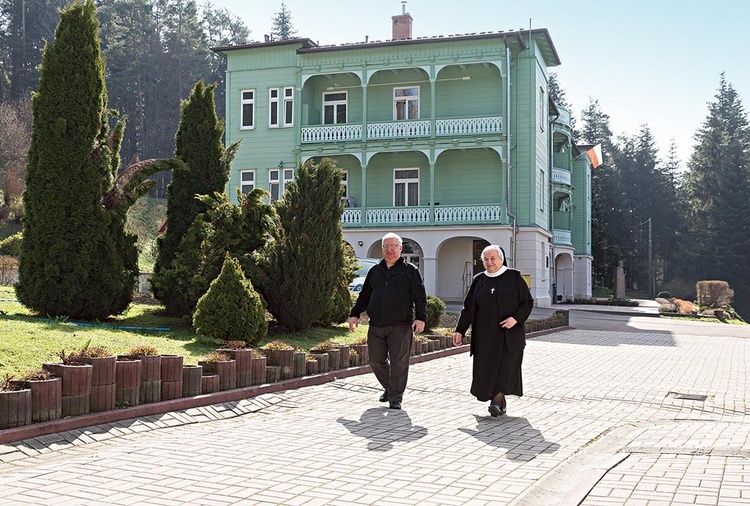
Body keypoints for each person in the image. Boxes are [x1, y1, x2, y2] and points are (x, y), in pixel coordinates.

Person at [452, 245, 533, 417]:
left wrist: (515, 319)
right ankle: (499, 402)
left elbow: (527, 302)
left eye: (493, 259)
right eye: (486, 260)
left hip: (509, 335)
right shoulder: (478, 280)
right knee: (488, 370)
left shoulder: (514, 277)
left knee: (506, 368)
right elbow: (468, 308)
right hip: (485, 335)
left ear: (501, 259)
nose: (489, 263)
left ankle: (496, 401)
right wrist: (460, 330)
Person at [349, 233, 427, 410]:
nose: (389, 249)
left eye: (393, 246)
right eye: (386, 246)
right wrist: (354, 314)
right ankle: (391, 388)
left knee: (399, 362)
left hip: (400, 326)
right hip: (376, 325)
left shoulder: (410, 271)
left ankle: (395, 398)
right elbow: (365, 295)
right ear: (382, 248)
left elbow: (420, 297)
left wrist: (421, 318)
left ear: (401, 248)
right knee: (375, 361)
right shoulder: (375, 271)